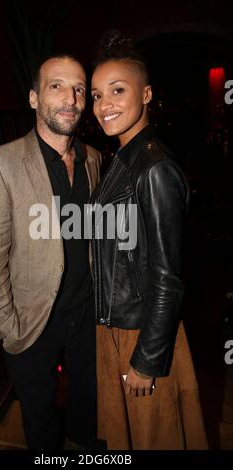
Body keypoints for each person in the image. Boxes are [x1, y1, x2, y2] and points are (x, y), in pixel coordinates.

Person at [0, 54, 101, 450]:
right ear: (33, 98)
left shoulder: (93, 158)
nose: (71, 98)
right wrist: (8, 326)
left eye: (79, 88)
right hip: (31, 322)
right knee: (40, 418)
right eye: (56, 86)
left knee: (88, 405)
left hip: (86, 312)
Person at [90, 31, 208, 450]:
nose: (105, 104)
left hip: (142, 332)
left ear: (147, 94)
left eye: (118, 90)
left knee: (155, 436)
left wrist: (146, 358)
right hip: (115, 326)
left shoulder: (154, 168)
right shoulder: (122, 159)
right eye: (97, 94)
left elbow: (167, 277)